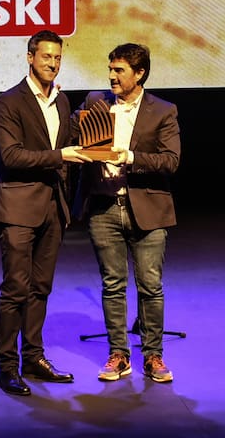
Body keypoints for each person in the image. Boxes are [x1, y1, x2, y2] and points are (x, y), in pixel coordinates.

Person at [0, 30, 91, 396]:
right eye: (46, 56)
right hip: (17, 207)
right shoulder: (8, 103)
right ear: (30, 57)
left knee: (40, 288)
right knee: (15, 288)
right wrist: (61, 156)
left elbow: (70, 144)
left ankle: (33, 358)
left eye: (58, 58)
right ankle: (7, 367)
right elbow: (11, 156)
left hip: (52, 207)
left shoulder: (61, 102)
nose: (53, 63)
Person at [74, 42, 180, 383]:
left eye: (119, 70)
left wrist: (130, 158)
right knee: (112, 285)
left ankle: (153, 356)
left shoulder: (162, 111)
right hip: (104, 208)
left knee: (150, 286)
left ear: (140, 73)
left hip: (147, 210)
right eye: (110, 69)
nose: (112, 76)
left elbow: (171, 161)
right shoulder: (96, 102)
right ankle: (119, 354)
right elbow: (72, 132)